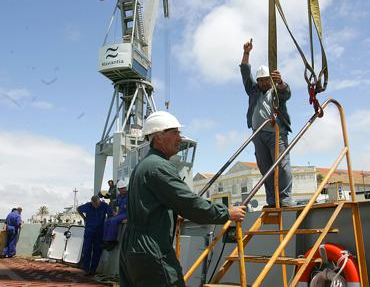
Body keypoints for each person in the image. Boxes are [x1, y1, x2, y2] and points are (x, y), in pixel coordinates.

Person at [119, 111, 246, 287]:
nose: (180, 138)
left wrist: (172, 214)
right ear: (159, 137)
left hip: (131, 248)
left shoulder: (143, 166)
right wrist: (226, 213)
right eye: (175, 133)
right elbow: (189, 203)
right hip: (151, 248)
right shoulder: (159, 167)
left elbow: (153, 204)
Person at [240, 39, 295, 207]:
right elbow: (245, 73)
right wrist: (246, 53)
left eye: (266, 79)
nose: (263, 82)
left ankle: (284, 198)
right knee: (265, 168)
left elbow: (287, 93)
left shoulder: (276, 91)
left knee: (282, 165)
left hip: (276, 133)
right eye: (261, 80)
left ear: (270, 79)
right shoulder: (254, 91)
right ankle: (272, 200)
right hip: (258, 134)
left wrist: (280, 82)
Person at [77, 196, 112, 275]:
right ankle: (86, 269)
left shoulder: (104, 205)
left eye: (97, 204)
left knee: (97, 251)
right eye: (94, 205)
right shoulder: (88, 205)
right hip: (89, 231)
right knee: (87, 250)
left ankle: (93, 270)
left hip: (99, 231)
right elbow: (78, 209)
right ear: (92, 203)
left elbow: (110, 213)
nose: (96, 206)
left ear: (99, 201)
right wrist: (84, 218)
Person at [102, 178, 128, 250]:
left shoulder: (130, 195)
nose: (123, 190)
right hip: (120, 213)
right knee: (107, 221)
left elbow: (133, 207)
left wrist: (128, 219)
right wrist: (114, 212)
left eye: (124, 188)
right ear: (119, 189)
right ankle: (105, 240)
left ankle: (111, 241)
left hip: (126, 213)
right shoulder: (119, 196)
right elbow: (116, 205)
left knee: (114, 221)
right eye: (121, 189)